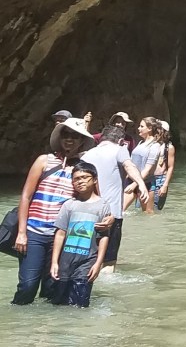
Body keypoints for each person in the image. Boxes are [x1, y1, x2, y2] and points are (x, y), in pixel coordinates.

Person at [13, 116, 96, 305]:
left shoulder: (82, 169)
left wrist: (106, 220)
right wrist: (21, 232)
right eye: (66, 134)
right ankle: (18, 327)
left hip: (61, 236)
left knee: (52, 288)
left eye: (75, 136)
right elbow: (26, 196)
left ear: (82, 141)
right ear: (59, 137)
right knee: (27, 285)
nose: (70, 139)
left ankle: (44, 330)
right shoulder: (44, 161)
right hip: (34, 233)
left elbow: (92, 201)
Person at [82, 119, 153, 272]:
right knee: (108, 262)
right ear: (121, 141)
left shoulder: (87, 154)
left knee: (87, 258)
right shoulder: (119, 149)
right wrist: (141, 184)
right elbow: (129, 165)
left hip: (86, 213)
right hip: (112, 214)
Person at [48, 161, 113, 308]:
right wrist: (54, 262)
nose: (80, 181)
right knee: (59, 303)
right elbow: (60, 233)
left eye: (84, 177)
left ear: (95, 179)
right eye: (76, 179)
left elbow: (103, 236)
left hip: (87, 261)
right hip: (65, 261)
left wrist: (98, 263)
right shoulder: (69, 205)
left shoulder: (103, 206)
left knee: (80, 303)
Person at [124, 117, 163, 213]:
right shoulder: (141, 143)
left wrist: (135, 184)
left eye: (141, 126)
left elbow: (147, 169)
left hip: (146, 183)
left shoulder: (155, 146)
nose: (138, 128)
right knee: (120, 210)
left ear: (149, 128)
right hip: (130, 181)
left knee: (148, 213)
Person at [151, 121, 176, 210]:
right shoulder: (149, 144)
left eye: (158, 129)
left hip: (160, 180)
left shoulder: (169, 147)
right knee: (140, 207)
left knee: (155, 208)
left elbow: (170, 167)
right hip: (148, 179)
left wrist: (165, 185)